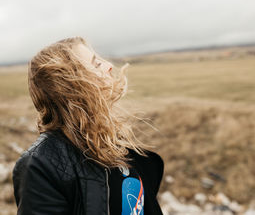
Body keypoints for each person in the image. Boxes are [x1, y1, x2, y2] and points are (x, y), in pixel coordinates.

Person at [13, 37, 164, 215]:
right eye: (96, 64)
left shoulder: (113, 144)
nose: (108, 65)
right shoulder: (41, 166)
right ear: (70, 84)